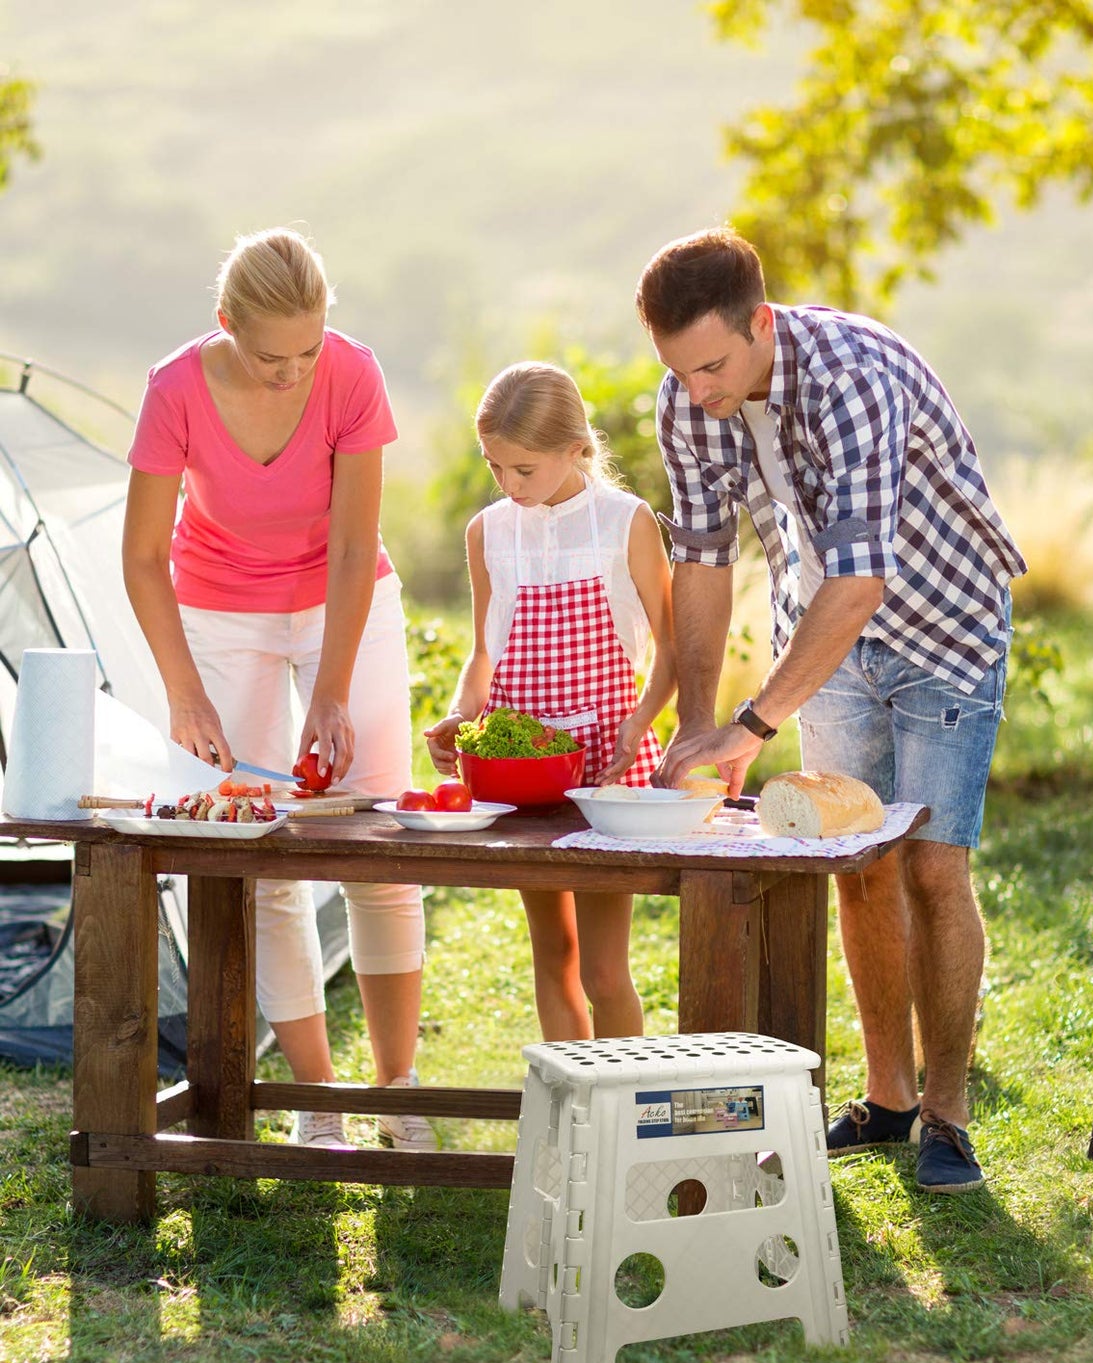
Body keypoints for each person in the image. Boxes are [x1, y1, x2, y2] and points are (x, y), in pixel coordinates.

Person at [636, 227, 1026, 1194]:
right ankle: (887, 1098)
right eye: (679, 372)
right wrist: (697, 724)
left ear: (761, 323)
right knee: (856, 863)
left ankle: (947, 1114)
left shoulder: (851, 376)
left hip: (943, 625)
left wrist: (753, 725)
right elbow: (700, 560)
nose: (698, 392)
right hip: (821, 641)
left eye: (713, 366)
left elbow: (860, 578)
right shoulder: (690, 400)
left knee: (934, 867)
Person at [123, 227, 434, 1150]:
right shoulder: (174, 388)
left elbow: (350, 544)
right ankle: (320, 1098)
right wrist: (184, 692)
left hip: (347, 601)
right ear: (226, 324)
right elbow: (141, 557)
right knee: (260, 848)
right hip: (221, 612)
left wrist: (331, 689)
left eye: (308, 348)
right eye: (270, 356)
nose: (293, 372)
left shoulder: (352, 373)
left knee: (377, 835)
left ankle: (399, 1091)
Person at [424, 362, 676, 1041]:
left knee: (602, 970)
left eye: (523, 469)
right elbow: (485, 653)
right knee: (552, 956)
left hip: (604, 774)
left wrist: (639, 723)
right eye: (494, 466)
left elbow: (670, 651)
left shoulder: (625, 523)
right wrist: (459, 717)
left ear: (575, 448)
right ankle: (573, 1116)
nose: (508, 485)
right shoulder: (487, 531)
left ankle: (623, 1113)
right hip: (520, 778)